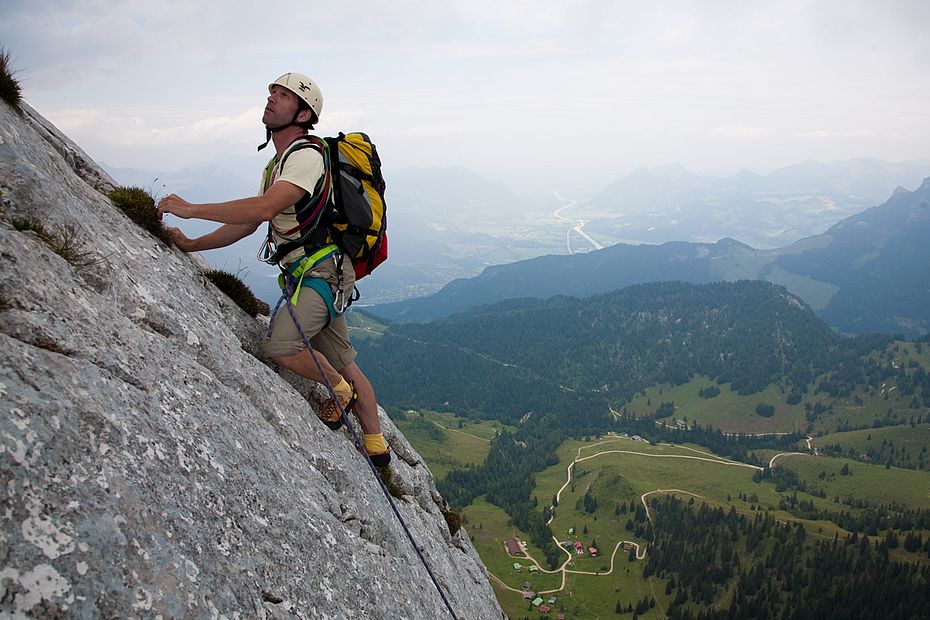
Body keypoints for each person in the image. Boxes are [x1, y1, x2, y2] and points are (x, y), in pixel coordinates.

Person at [156, 72, 390, 467]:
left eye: (283, 96)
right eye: (272, 93)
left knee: (280, 348)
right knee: (346, 361)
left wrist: (192, 210)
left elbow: (263, 209)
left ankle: (337, 390)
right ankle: (377, 448)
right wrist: (194, 245)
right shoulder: (277, 165)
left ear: (303, 114)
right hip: (323, 276)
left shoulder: (306, 157)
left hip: (320, 277)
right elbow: (247, 224)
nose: (272, 100)